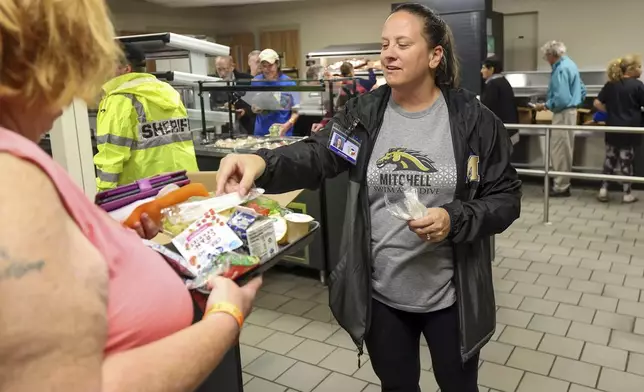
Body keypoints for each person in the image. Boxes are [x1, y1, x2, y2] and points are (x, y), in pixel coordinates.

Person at [216, 3, 521, 391]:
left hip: (452, 297)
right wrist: (261, 163)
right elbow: (320, 153)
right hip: (382, 296)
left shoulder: (473, 120)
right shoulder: (365, 115)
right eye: (385, 43)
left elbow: (505, 197)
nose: (389, 53)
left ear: (434, 55)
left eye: (403, 44)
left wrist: (454, 218)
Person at [0, 1, 262, 391]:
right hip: (175, 187)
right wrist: (227, 317)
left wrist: (110, 232)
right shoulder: (12, 177)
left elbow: (109, 160)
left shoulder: (112, 104)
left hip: (143, 196)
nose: (76, 87)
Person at [94, 43, 199, 192]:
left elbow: (111, 157)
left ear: (126, 69)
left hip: (143, 193)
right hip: (182, 184)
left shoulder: (119, 100)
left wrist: (103, 195)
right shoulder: (169, 92)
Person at [535, 40, 586, 197]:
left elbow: (562, 98)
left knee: (560, 150)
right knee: (566, 148)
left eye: (546, 57)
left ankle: (561, 186)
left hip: (563, 113)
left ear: (552, 55)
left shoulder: (561, 69)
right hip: (571, 112)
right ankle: (563, 184)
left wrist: (545, 105)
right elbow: (582, 90)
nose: (547, 61)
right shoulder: (571, 65)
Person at [594, 55, 644, 203]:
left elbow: (597, 103)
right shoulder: (637, 85)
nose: (641, 69)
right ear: (631, 69)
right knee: (626, 161)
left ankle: (603, 190)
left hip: (613, 126)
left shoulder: (611, 84)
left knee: (610, 159)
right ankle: (627, 193)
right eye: (639, 66)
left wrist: (609, 112)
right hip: (630, 129)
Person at [251, 49, 299, 137]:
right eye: (264, 66)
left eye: (270, 66)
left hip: (282, 132)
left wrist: (287, 125)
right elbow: (253, 107)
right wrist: (256, 108)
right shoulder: (256, 81)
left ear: (277, 64)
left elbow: (296, 111)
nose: (267, 69)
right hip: (260, 133)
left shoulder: (289, 82)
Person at [480, 56, 519, 145]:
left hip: (500, 133)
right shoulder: (503, 82)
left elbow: (486, 107)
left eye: (483, 68)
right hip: (510, 131)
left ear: (491, 69)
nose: (481, 71)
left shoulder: (493, 85)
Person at [210, 55, 254, 134]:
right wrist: (222, 108)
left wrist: (245, 110)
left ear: (232, 67)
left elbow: (255, 103)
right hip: (224, 129)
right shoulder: (212, 82)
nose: (222, 73)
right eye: (219, 69)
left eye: (224, 69)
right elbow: (212, 105)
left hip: (246, 127)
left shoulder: (247, 79)